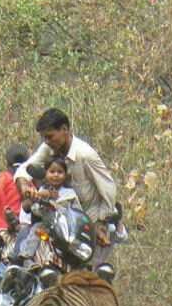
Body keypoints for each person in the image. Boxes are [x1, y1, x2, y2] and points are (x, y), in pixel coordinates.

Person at [14, 108, 118, 266]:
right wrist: (24, 187)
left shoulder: (84, 154)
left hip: (89, 224)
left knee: (87, 276)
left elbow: (109, 189)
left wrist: (101, 223)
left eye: (49, 136)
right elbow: (25, 169)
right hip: (63, 225)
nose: (47, 141)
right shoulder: (49, 148)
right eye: (44, 138)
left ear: (64, 130)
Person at [17, 156, 81, 262]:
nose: (56, 175)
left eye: (60, 172)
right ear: (46, 174)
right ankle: (27, 256)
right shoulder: (41, 191)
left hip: (64, 230)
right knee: (37, 231)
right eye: (52, 171)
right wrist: (42, 202)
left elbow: (78, 212)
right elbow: (34, 209)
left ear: (65, 175)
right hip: (46, 227)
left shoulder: (70, 194)